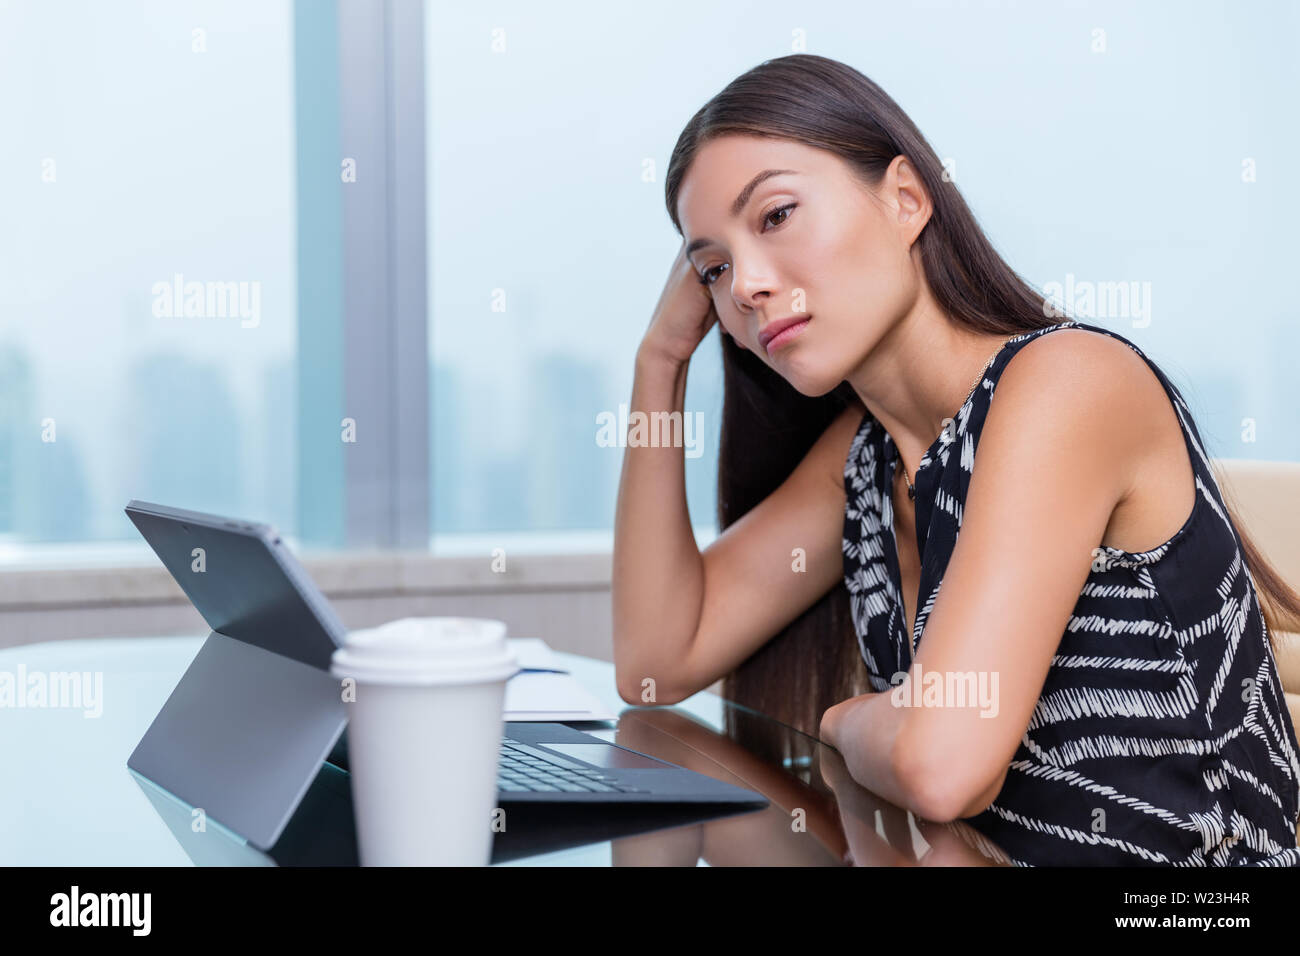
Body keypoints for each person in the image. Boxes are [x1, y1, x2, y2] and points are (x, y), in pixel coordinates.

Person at [611, 54, 1300, 866]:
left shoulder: (1067, 383)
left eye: (776, 214)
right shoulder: (863, 461)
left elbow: (942, 770)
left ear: (906, 199)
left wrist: (844, 721)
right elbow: (655, 667)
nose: (747, 287)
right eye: (714, 269)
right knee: (673, 777)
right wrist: (659, 361)